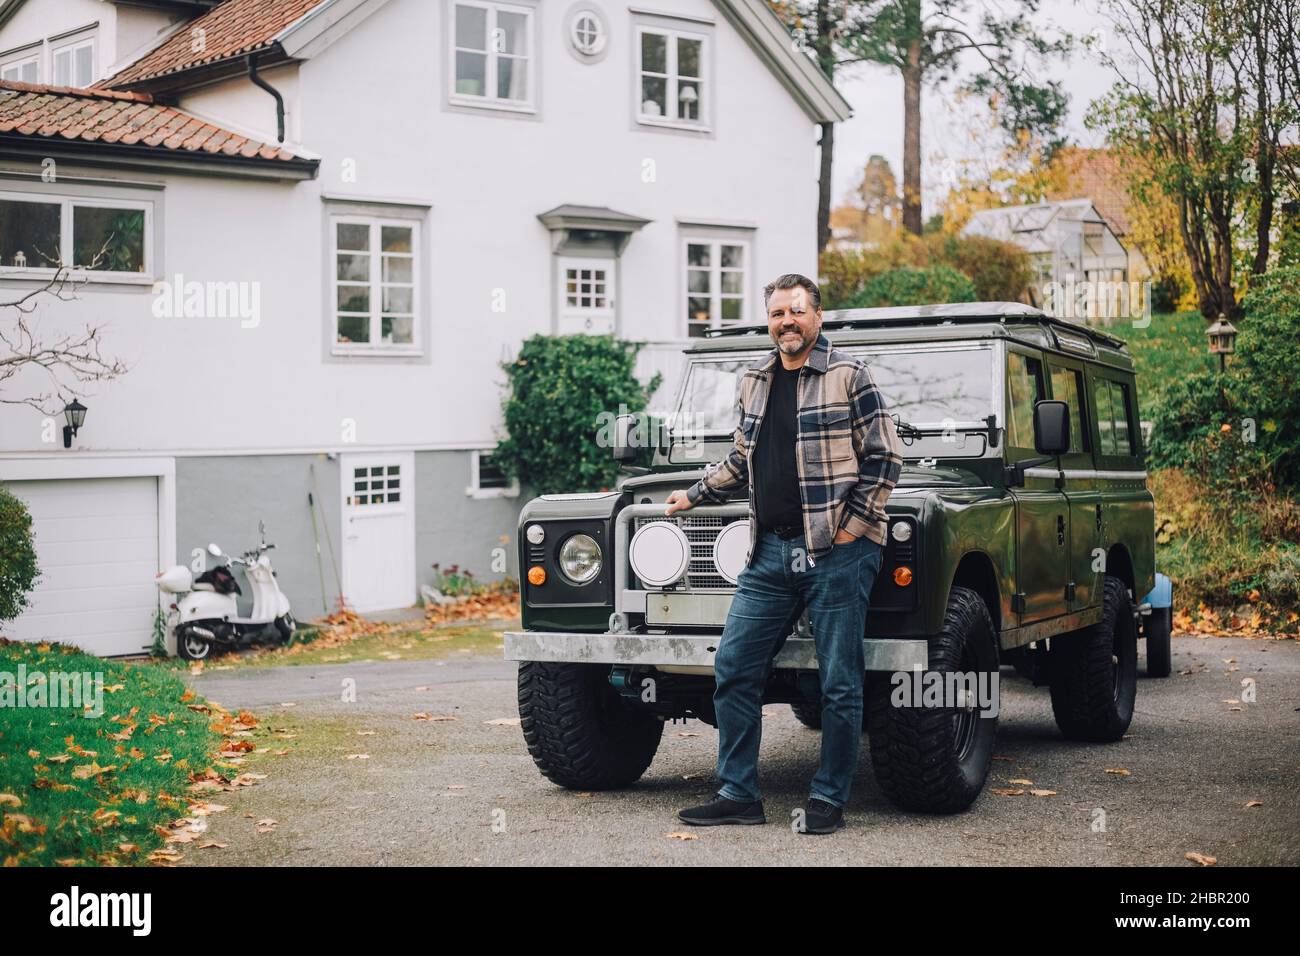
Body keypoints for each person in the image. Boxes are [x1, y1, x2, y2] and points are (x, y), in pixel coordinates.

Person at [666, 273, 902, 834]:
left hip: (836, 553)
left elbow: (886, 456)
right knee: (733, 668)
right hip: (769, 552)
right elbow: (742, 458)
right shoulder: (755, 380)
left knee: (838, 682)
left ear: (817, 316)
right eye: (776, 314)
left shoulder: (849, 375)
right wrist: (695, 494)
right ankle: (738, 793)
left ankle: (828, 800)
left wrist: (851, 529)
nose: (785, 323)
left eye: (795, 312)